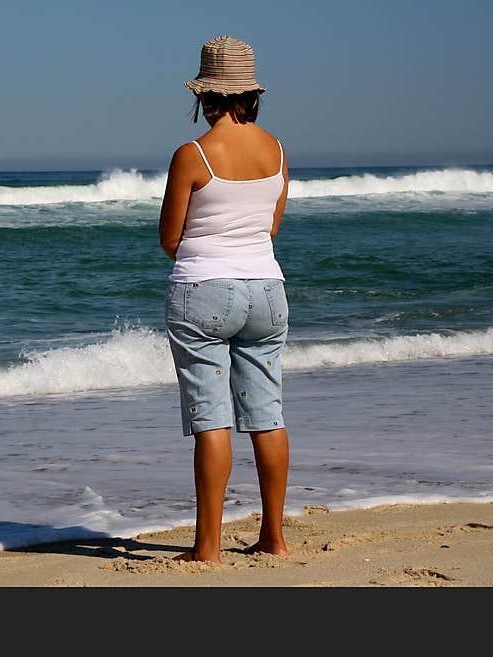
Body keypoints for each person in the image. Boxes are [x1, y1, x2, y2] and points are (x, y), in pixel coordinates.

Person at [159, 35, 290, 564]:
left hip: (204, 288)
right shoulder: (278, 150)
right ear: (251, 94)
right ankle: (274, 538)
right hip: (268, 288)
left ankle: (207, 548)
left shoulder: (192, 155)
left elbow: (171, 238)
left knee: (211, 420)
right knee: (267, 414)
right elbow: (271, 227)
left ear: (206, 96)